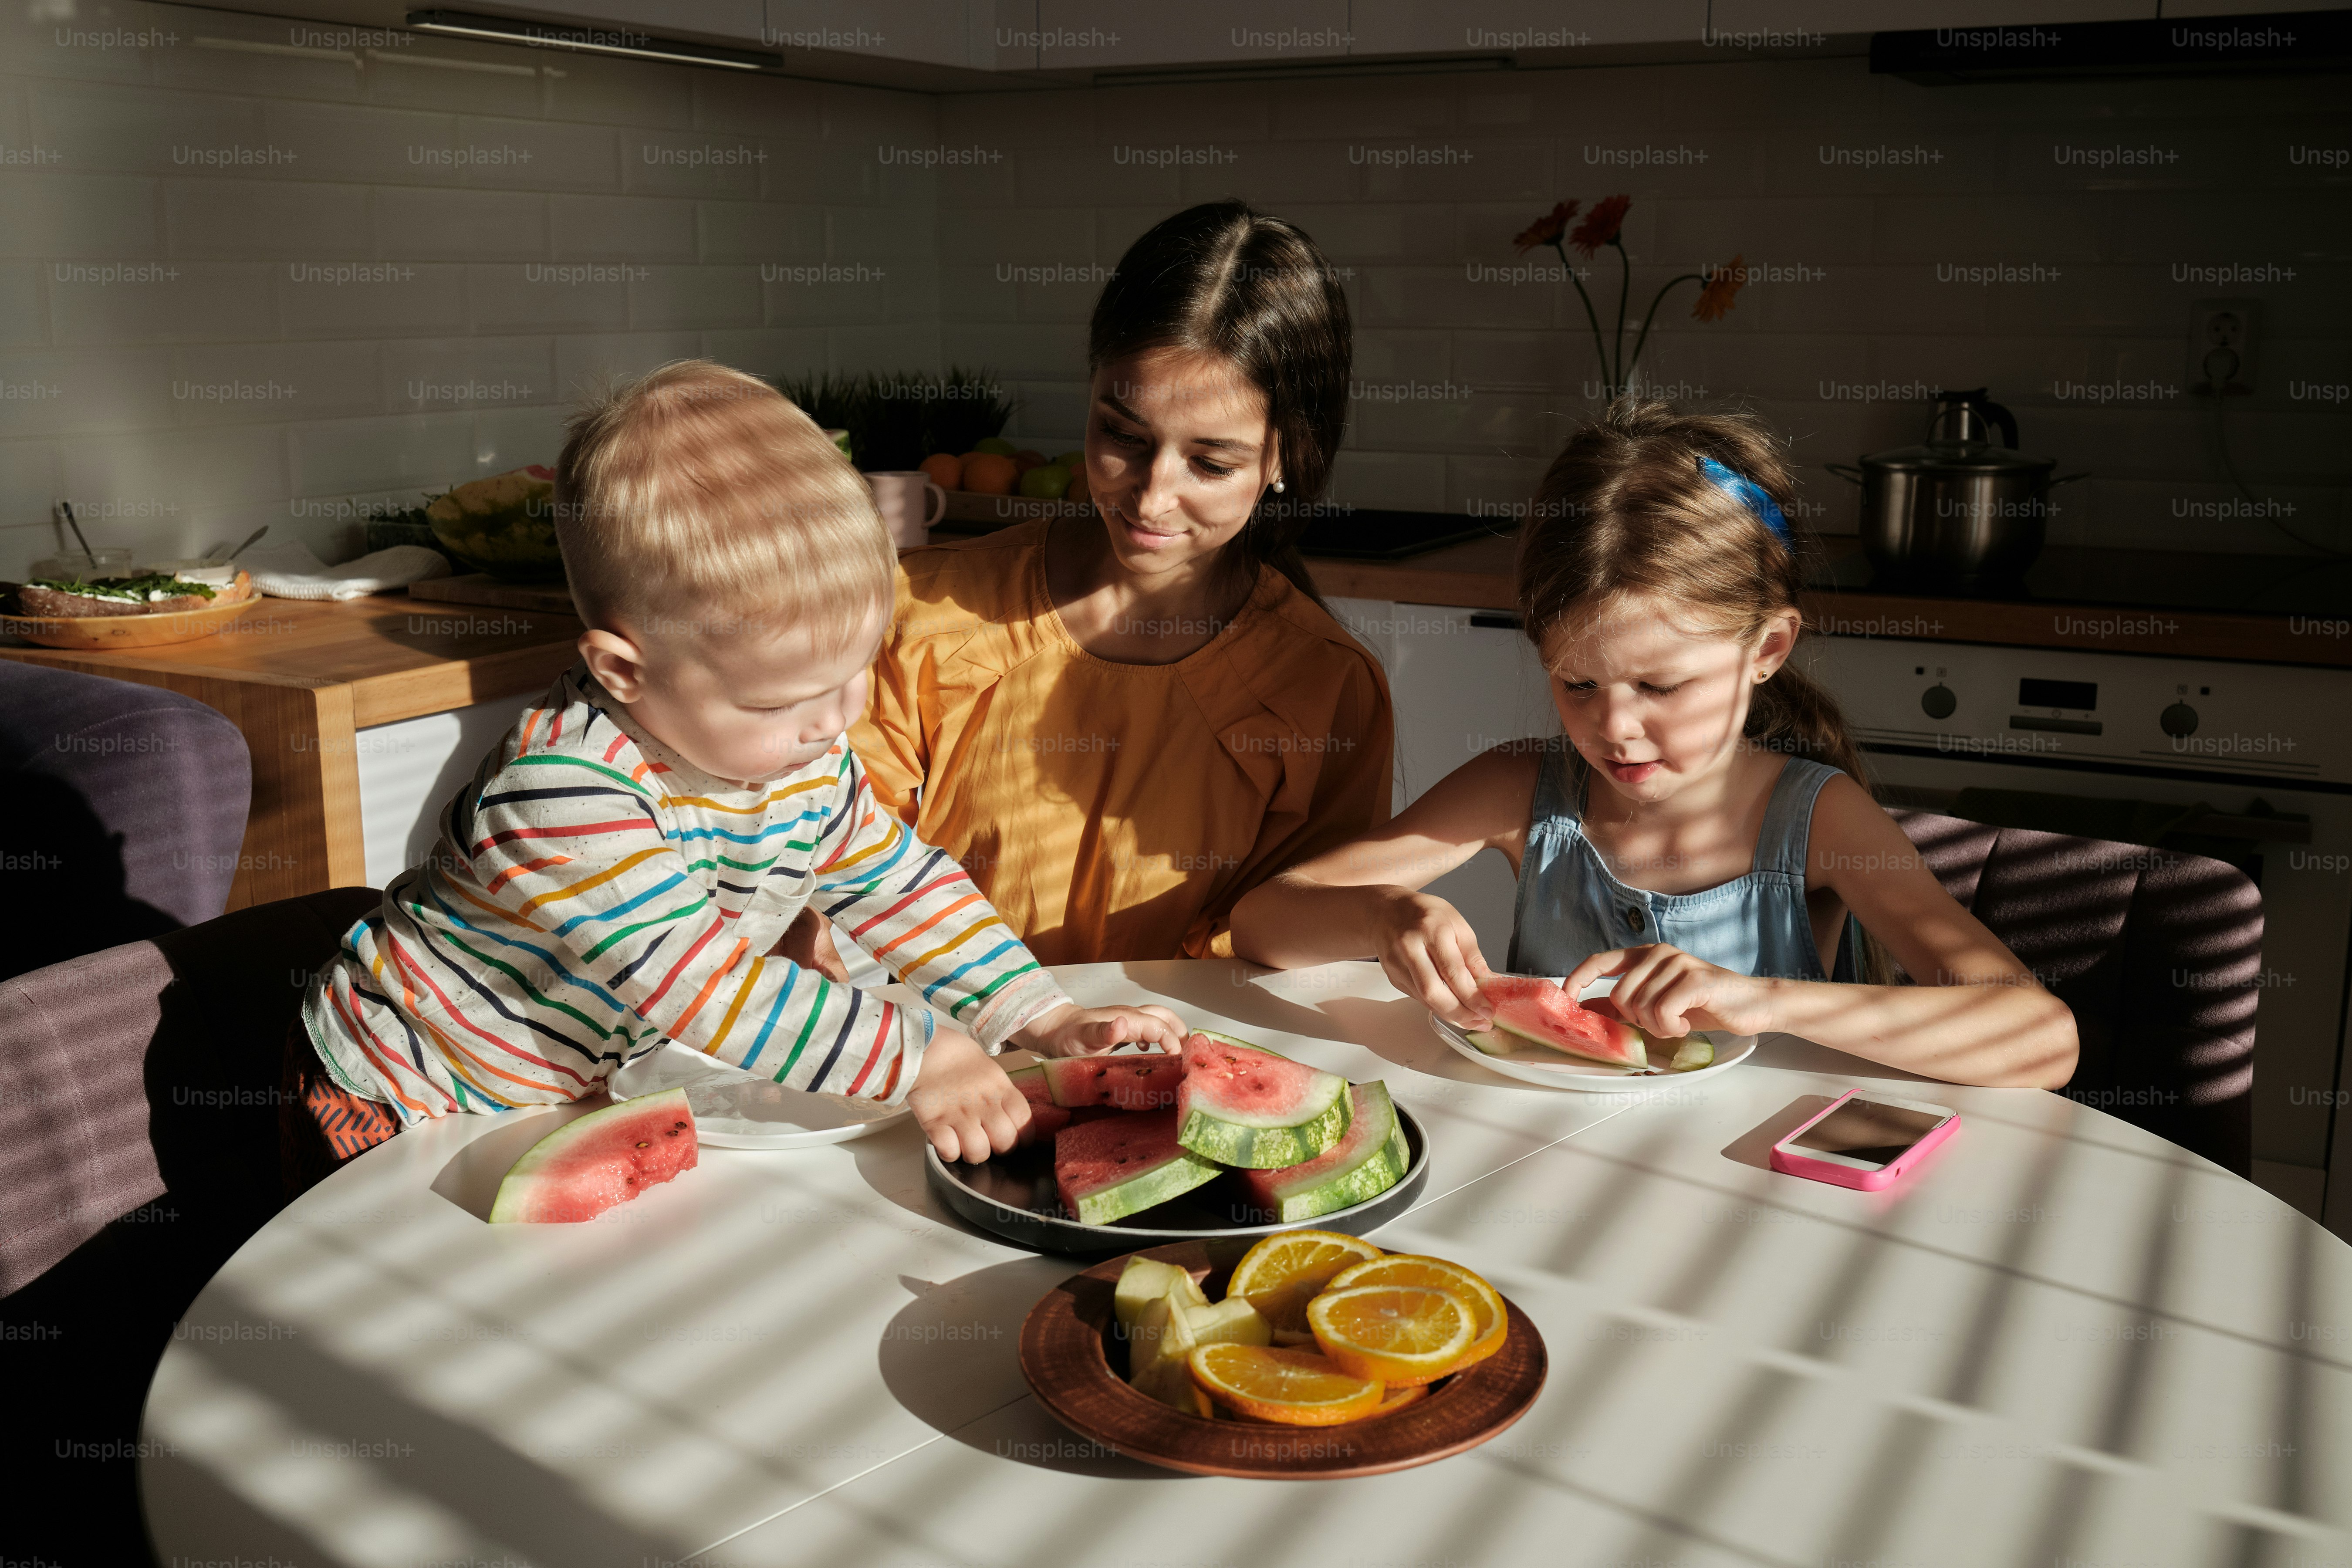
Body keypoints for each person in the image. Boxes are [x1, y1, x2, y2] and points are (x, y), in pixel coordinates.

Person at [284, 361, 1183, 1192]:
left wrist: (1039, 1015)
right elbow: (702, 983)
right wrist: (918, 1055)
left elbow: (895, 881)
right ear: (622, 671)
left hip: (560, 1090)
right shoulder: (561, 794)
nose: (836, 721)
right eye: (780, 702)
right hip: (404, 1086)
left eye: (853, 675)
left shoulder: (802, 758)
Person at [1227, 400, 2078, 1089]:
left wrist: (1767, 1002)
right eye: (1577, 683)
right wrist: (1381, 913)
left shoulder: (1818, 820)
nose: (1615, 727)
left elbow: (2042, 1040)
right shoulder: (1521, 785)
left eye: (1661, 687)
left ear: (1767, 652)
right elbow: (1262, 922)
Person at [839, 200, 1393, 968]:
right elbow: (846, 879)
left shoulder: (1325, 688)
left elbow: (1288, 952)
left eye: (1212, 463)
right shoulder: (921, 611)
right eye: (1123, 437)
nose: (1151, 497)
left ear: (1285, 459)